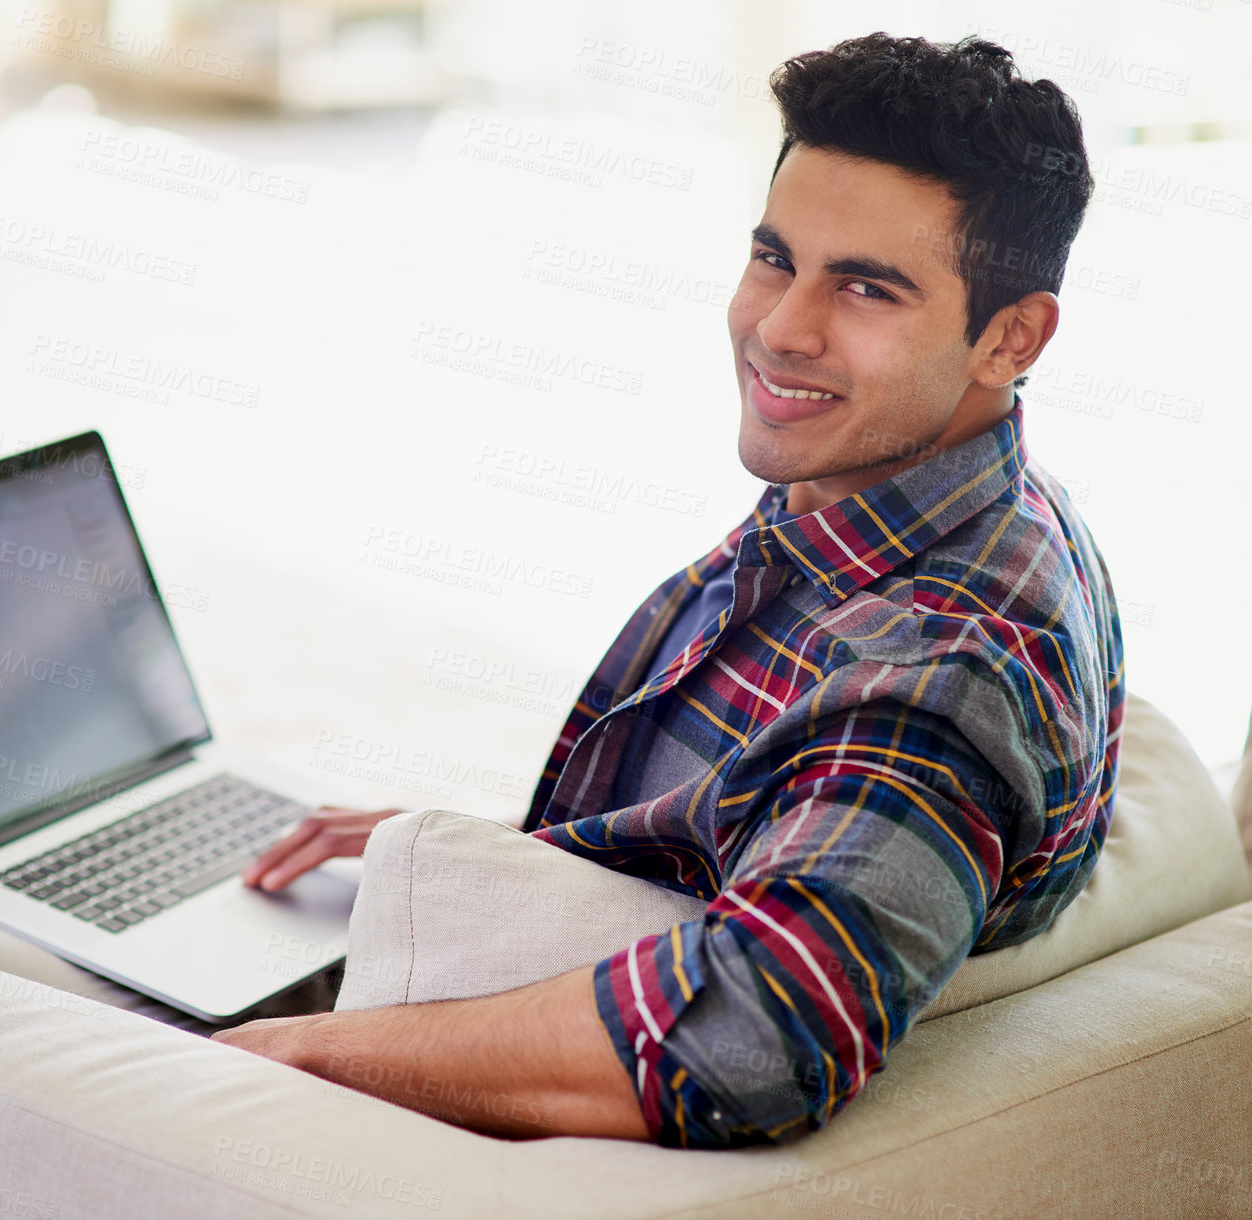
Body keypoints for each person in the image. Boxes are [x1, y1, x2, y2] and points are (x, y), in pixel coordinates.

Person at [215, 31, 1125, 1151]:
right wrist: (498, 851)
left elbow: (748, 1035)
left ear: (1012, 335)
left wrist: (292, 1051)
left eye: (867, 289)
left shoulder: (942, 667)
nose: (782, 327)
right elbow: (784, 826)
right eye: (775, 258)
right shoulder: (929, 496)